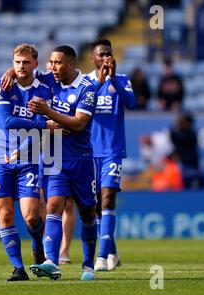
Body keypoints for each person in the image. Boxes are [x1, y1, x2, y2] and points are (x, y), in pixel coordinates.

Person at [3, 45, 99, 281]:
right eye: (50, 63)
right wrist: (9, 73)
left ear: (70, 64)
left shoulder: (87, 89)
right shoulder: (48, 80)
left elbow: (78, 124)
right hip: (53, 158)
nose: (51, 67)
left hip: (81, 160)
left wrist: (48, 112)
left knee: (87, 213)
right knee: (53, 206)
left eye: (56, 63)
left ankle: (88, 265)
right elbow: (24, 69)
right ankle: (51, 262)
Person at [0, 44, 57, 281]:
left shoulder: (44, 90)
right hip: (1, 157)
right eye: (17, 62)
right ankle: (18, 268)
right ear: (12, 62)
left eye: (26, 62)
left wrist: (22, 149)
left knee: (30, 216)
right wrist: (45, 125)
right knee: (5, 214)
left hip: (28, 158)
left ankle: (37, 243)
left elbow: (38, 133)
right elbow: (7, 121)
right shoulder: (1, 85)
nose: (21, 66)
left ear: (35, 64)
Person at [83, 39, 137, 272]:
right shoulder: (85, 83)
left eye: (109, 53)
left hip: (112, 151)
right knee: (94, 206)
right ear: (93, 59)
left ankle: (102, 257)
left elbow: (133, 104)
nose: (105, 58)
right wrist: (101, 81)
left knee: (107, 200)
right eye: (101, 54)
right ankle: (113, 251)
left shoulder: (122, 80)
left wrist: (113, 79)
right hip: (88, 152)